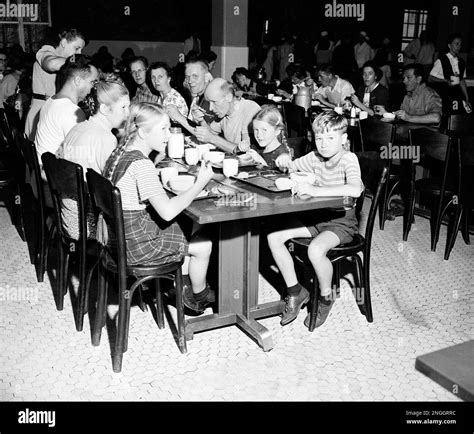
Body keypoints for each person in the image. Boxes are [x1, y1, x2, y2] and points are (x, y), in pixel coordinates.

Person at [102, 103, 215, 312]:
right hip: (136, 247)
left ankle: (178, 287)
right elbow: (167, 211)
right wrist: (200, 183)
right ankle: (198, 297)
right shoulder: (141, 164)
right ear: (143, 132)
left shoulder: (119, 152)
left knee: (189, 224)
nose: (168, 134)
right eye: (162, 129)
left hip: (117, 240)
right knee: (204, 243)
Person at [267, 111, 363, 327]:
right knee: (274, 237)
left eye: (331, 138)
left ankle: (326, 297)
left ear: (344, 139)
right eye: (319, 138)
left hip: (341, 223)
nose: (324, 144)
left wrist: (315, 190)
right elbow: (292, 166)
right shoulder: (315, 157)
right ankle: (296, 291)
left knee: (315, 250)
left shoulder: (349, 159)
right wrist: (285, 160)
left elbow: (356, 189)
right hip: (316, 219)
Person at [57, 79, 130, 240]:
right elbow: (115, 185)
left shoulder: (77, 128)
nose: (128, 113)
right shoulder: (105, 138)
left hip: (68, 213)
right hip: (87, 221)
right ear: (104, 109)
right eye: (123, 107)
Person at [35, 55, 99, 170]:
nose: (93, 88)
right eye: (92, 82)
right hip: (52, 177)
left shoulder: (51, 101)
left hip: (41, 170)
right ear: (78, 80)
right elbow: (84, 158)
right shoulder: (71, 111)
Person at [25, 28, 86, 140]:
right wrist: (81, 64)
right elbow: (52, 63)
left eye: (81, 50)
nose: (79, 53)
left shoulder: (66, 60)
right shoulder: (46, 51)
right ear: (63, 42)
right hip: (40, 112)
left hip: (51, 111)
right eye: (76, 48)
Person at [194, 78, 261, 153]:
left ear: (228, 97)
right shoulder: (223, 113)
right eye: (209, 103)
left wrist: (212, 138)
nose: (210, 108)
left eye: (214, 102)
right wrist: (201, 120)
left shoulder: (250, 109)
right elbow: (209, 134)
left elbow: (246, 150)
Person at [375, 63, 442, 125]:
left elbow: (436, 118)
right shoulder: (408, 96)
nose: (404, 81)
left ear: (418, 79)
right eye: (404, 78)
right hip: (409, 133)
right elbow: (402, 117)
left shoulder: (429, 95)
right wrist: (386, 114)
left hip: (426, 136)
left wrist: (408, 117)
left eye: (408, 78)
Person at [428, 33, 472, 114]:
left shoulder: (461, 62)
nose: (459, 46)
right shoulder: (441, 60)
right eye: (456, 44)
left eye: (460, 44)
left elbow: (461, 80)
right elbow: (430, 78)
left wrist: (467, 98)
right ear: (449, 45)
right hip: (445, 95)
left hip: (457, 95)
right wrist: (446, 81)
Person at [166, 59, 212, 134]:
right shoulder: (197, 98)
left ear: (207, 77)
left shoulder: (212, 101)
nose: (190, 81)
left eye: (195, 76)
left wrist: (178, 116)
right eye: (187, 77)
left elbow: (208, 136)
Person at [244, 104, 291, 169]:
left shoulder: (282, 154)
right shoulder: (257, 147)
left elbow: (278, 178)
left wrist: (260, 161)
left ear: (277, 131)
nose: (259, 135)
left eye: (264, 130)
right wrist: (242, 148)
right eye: (256, 130)